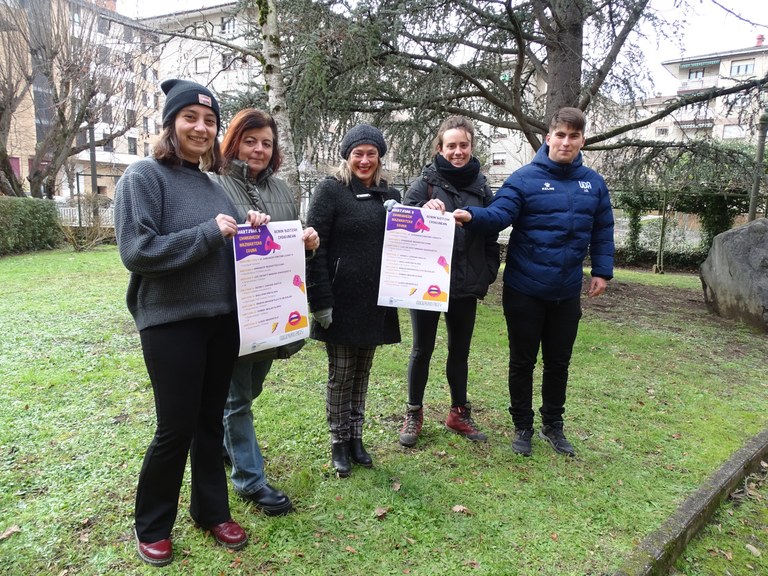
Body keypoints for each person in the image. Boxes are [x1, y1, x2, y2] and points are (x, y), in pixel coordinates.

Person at [114, 79, 267, 566]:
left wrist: (254, 231)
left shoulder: (211, 185)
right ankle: (153, 524)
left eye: (209, 121)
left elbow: (226, 248)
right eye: (190, 118)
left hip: (220, 320)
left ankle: (211, 511)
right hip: (170, 322)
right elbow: (137, 252)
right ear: (170, 124)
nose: (201, 128)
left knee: (208, 421)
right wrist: (208, 233)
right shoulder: (142, 177)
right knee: (175, 427)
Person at [453, 107, 614, 458]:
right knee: (522, 361)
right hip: (525, 289)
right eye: (560, 135)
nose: (566, 141)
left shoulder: (593, 183)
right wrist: (472, 216)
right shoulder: (524, 178)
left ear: (582, 140)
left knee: (559, 362)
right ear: (548, 138)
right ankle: (522, 426)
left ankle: (553, 426)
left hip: (567, 291)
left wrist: (602, 270)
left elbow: (603, 228)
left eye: (573, 136)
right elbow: (499, 214)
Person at [214, 109, 319, 515]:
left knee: (251, 388)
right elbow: (215, 243)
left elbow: (289, 245)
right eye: (250, 140)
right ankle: (249, 480)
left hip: (275, 310)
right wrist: (242, 227)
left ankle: (226, 443)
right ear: (235, 141)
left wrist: (306, 240)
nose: (259, 149)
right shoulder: (215, 183)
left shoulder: (282, 190)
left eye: (267, 143)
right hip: (236, 309)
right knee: (238, 398)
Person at [305, 124, 401, 477]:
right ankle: (338, 441)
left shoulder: (387, 194)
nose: (364, 160)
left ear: (379, 158)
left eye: (371, 154)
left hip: (376, 300)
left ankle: (357, 437)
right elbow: (315, 249)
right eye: (358, 153)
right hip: (340, 300)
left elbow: (404, 245)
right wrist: (320, 301)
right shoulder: (330, 191)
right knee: (341, 374)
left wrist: (403, 215)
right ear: (347, 156)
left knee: (362, 374)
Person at [398, 116, 500, 448]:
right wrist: (422, 209)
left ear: (471, 147)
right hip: (427, 283)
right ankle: (414, 412)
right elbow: (399, 220)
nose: (458, 152)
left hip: (465, 284)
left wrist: (486, 275)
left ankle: (458, 413)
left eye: (463, 145)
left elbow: (491, 234)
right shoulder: (425, 183)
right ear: (440, 148)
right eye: (451, 145)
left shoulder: (483, 187)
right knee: (421, 350)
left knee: (460, 351)